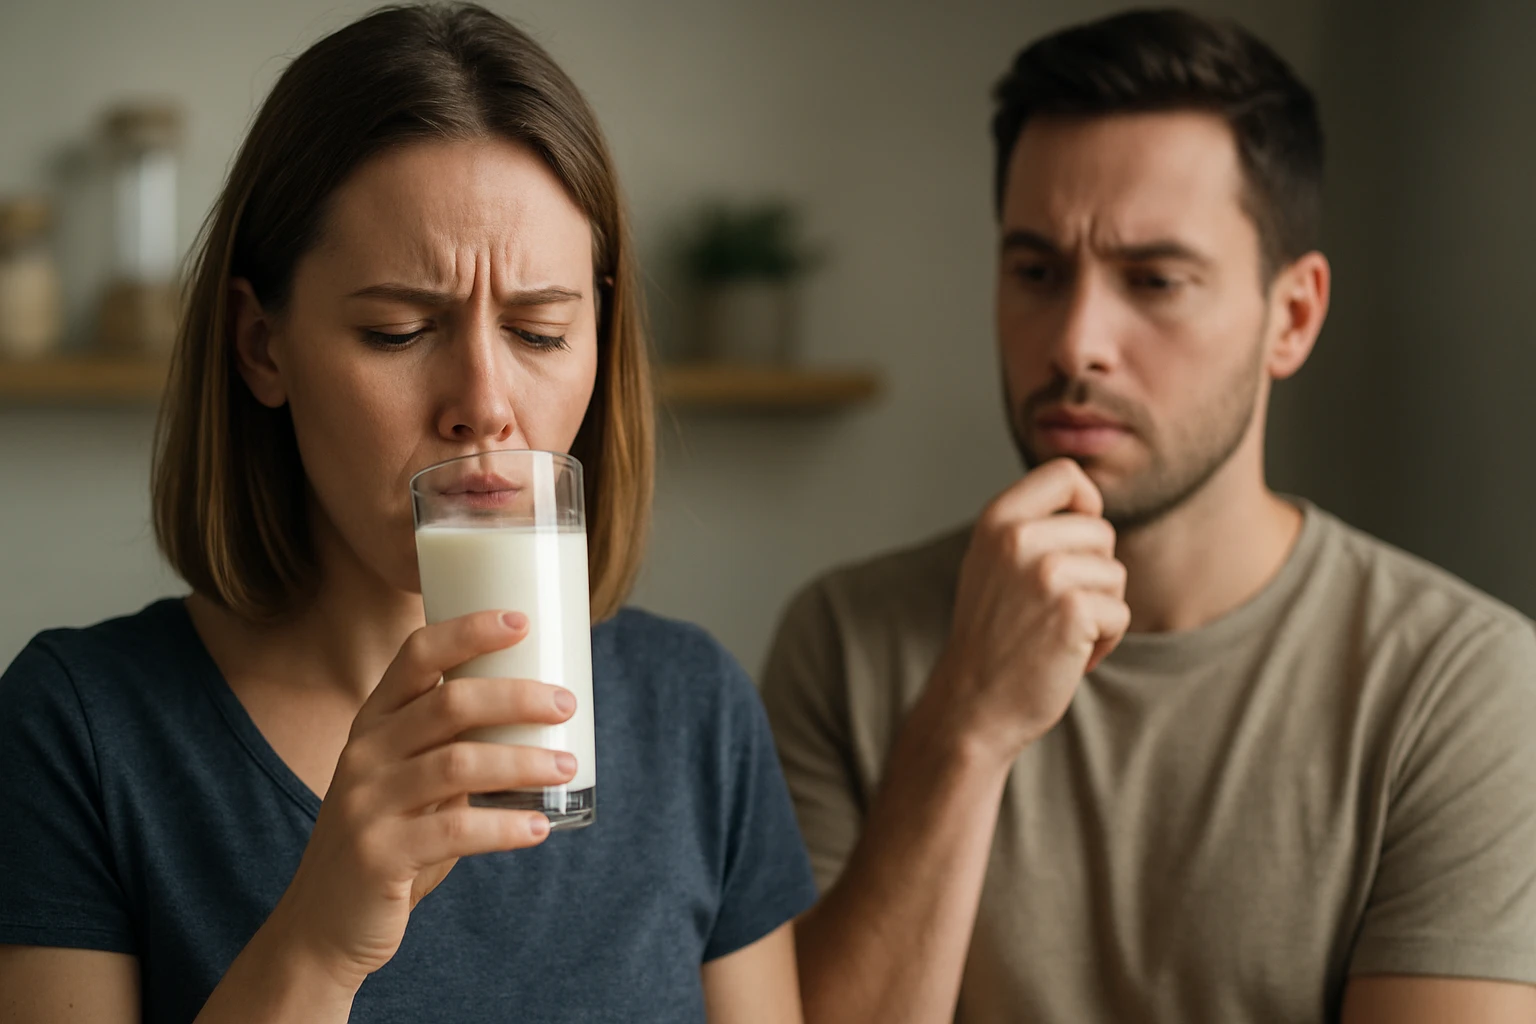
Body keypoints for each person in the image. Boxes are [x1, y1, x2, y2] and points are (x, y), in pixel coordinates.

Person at [0, 6, 814, 1022]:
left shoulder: (694, 712)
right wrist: (318, 943)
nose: (483, 398)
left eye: (540, 329)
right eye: (398, 330)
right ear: (262, 346)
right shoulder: (80, 730)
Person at [761, 8, 1536, 1024]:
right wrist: (966, 726)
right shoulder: (844, 644)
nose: (1077, 340)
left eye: (1155, 280)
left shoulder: (1462, 689)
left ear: (1291, 316)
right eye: (1037, 272)